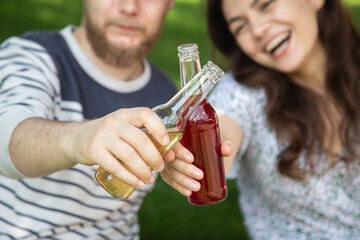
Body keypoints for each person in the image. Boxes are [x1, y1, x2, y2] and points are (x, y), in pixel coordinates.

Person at [0, 0, 201, 239]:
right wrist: (78, 139)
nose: (129, 7)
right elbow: (8, 141)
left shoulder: (167, 95)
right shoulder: (31, 55)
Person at [161, 0, 360, 239]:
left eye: (265, 5)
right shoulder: (243, 93)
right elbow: (223, 124)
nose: (257, 30)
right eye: (240, 26)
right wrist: (197, 154)